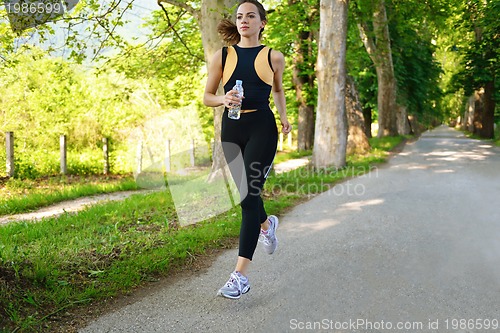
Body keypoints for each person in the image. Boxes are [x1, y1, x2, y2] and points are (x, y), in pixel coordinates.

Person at [203, 0, 292, 299]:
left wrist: (284, 117)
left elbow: (278, 90)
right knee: (247, 195)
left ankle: (239, 275)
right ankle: (266, 224)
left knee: (248, 196)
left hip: (262, 129)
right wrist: (223, 100)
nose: (244, 21)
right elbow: (207, 96)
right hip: (232, 130)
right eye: (240, 16)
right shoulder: (223, 55)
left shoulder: (273, 57)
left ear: (262, 22)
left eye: (250, 16)